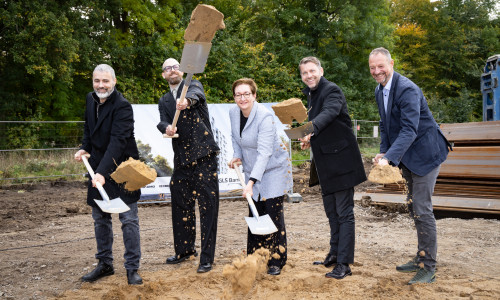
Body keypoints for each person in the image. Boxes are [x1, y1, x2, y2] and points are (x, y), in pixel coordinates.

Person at [368, 47, 451, 285]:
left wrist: (389, 159)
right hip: (408, 155)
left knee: (422, 209)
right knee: (414, 206)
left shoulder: (407, 89)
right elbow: (385, 125)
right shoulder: (379, 90)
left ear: (391, 63)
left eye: (381, 66)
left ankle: (428, 267)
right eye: (372, 68)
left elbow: (409, 130)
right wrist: (384, 151)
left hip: (426, 155)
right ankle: (421, 256)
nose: (377, 71)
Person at [297, 56, 367, 279]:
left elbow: (329, 113)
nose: (309, 76)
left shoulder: (332, 90)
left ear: (321, 70)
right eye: (304, 73)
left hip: (342, 162)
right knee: (331, 212)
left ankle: (344, 264)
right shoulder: (310, 94)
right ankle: (335, 254)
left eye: (312, 71)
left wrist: (310, 128)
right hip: (326, 163)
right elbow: (324, 126)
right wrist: (310, 137)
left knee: (344, 214)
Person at [74, 64, 142, 285]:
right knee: (100, 219)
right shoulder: (90, 99)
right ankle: (105, 264)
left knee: (128, 219)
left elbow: (117, 143)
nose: (100, 85)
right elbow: (88, 128)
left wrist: (102, 173)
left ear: (114, 81)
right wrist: (85, 147)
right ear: (92, 82)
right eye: (97, 81)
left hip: (122, 168)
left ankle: (132, 268)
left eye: (105, 81)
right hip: (97, 165)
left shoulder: (123, 107)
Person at [156, 58, 220, 273]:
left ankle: (207, 257)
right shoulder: (164, 100)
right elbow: (162, 120)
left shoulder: (192, 85)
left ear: (182, 70)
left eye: (175, 66)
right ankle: (185, 250)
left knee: (207, 206)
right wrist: (166, 128)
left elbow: (196, 97)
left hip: (204, 156)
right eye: (167, 68)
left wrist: (187, 102)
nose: (172, 70)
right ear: (163, 75)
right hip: (181, 159)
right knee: (180, 203)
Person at [228, 78, 292, 276]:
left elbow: (265, 153)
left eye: (247, 94)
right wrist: (236, 155)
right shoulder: (233, 113)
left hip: (273, 167)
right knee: (255, 210)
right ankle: (255, 257)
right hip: (253, 167)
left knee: (272, 211)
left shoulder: (264, 116)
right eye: (238, 94)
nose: (242, 98)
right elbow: (235, 138)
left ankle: (276, 259)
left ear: (254, 95)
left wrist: (250, 183)